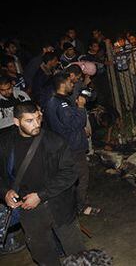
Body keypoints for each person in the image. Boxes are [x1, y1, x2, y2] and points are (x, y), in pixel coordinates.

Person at [0, 101, 85, 265]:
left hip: (60, 205)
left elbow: (70, 173)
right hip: (29, 211)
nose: (36, 124)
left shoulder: (54, 141)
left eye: (38, 118)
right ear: (16, 122)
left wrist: (40, 195)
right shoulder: (5, 144)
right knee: (43, 253)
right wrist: (5, 192)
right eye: (29, 121)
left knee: (77, 253)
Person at [45, 73, 100, 216]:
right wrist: (81, 107)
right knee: (81, 177)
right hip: (72, 147)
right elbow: (74, 123)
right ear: (63, 84)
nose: (73, 85)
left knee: (72, 178)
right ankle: (81, 207)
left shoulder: (55, 101)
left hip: (65, 145)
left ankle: (74, 206)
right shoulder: (60, 103)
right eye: (70, 82)